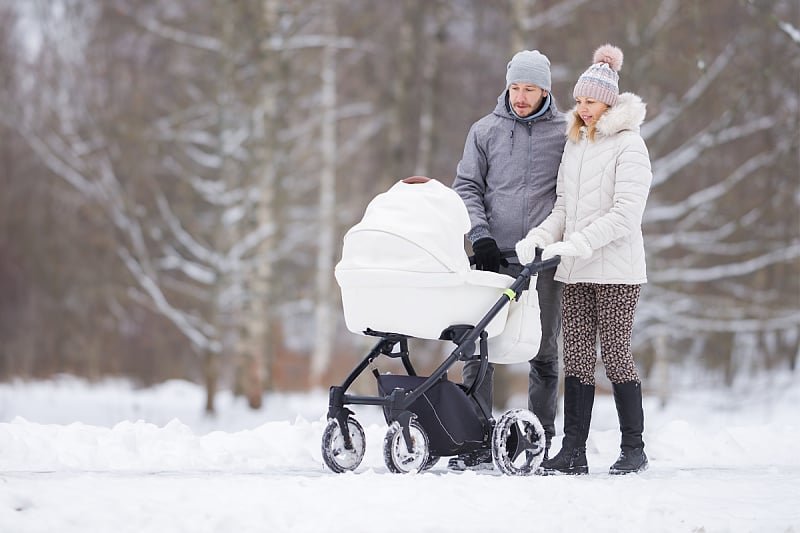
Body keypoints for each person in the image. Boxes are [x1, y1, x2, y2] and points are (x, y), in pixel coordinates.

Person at [516, 44, 653, 475]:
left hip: (616, 271)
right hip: (574, 270)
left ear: (609, 101)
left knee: (614, 355)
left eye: (590, 101)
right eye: (578, 101)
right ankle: (573, 451)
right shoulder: (575, 144)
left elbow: (626, 214)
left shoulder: (630, 147)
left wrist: (579, 242)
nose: (582, 108)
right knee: (575, 359)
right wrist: (539, 237)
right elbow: (562, 208)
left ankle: (634, 448)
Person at [450, 50, 567, 470]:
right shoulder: (484, 131)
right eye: (515, 87)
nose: (520, 96)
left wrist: (550, 241)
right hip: (493, 256)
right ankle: (476, 436)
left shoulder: (566, 133)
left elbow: (571, 194)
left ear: (545, 90)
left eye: (529, 89)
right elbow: (466, 187)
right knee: (476, 346)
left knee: (544, 349)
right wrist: (479, 237)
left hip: (545, 260)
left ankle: (540, 438)